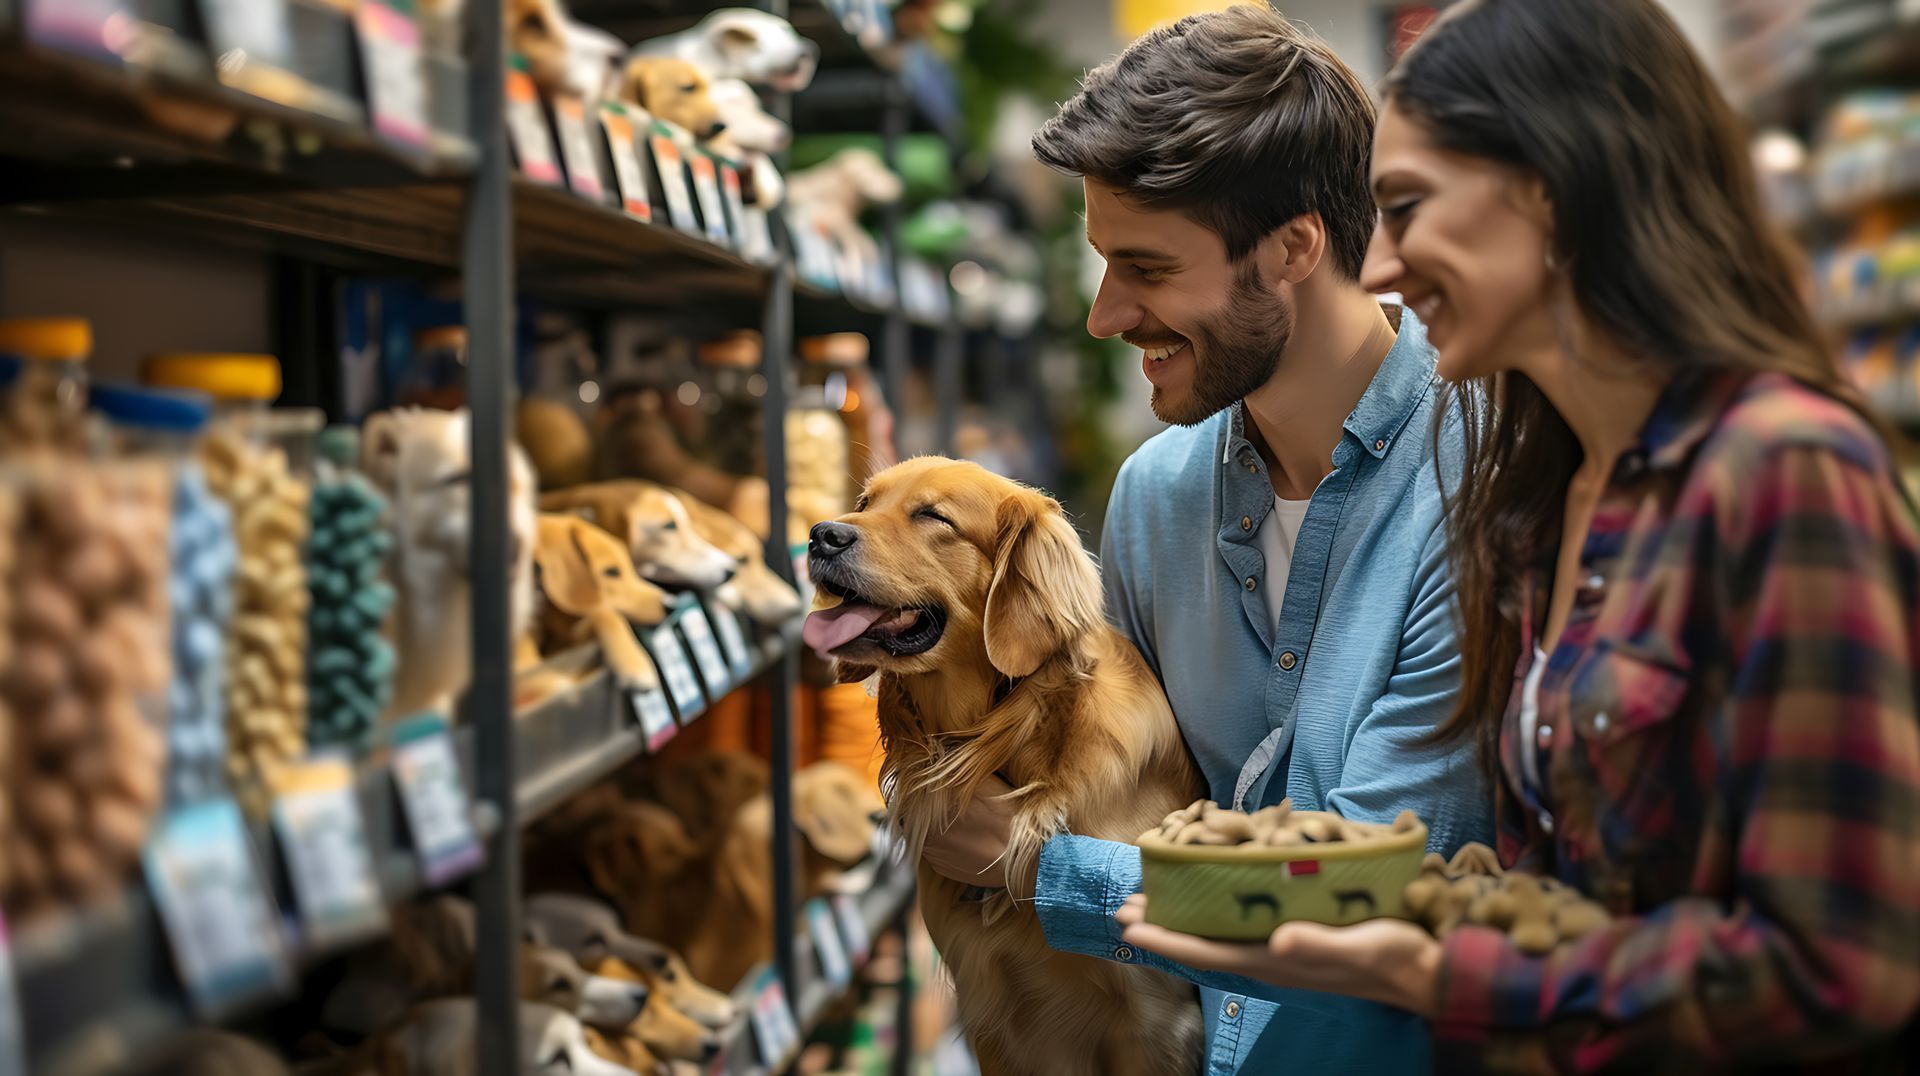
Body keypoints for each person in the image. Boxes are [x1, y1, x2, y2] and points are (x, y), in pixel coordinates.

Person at [1114, 0, 1920, 1070]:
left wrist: (1445, 976)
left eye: (1407, 208)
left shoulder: (1783, 469)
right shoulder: (1549, 485)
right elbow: (1570, 891)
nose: (1383, 265)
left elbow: (1841, 965)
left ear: (1550, 189)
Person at [914, 6, 1490, 1072]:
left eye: (1145, 267)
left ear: (1294, 248)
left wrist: (1039, 869)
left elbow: (1376, 889)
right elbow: (1104, 786)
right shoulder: (1154, 496)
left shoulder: (1477, 486)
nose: (1104, 313)